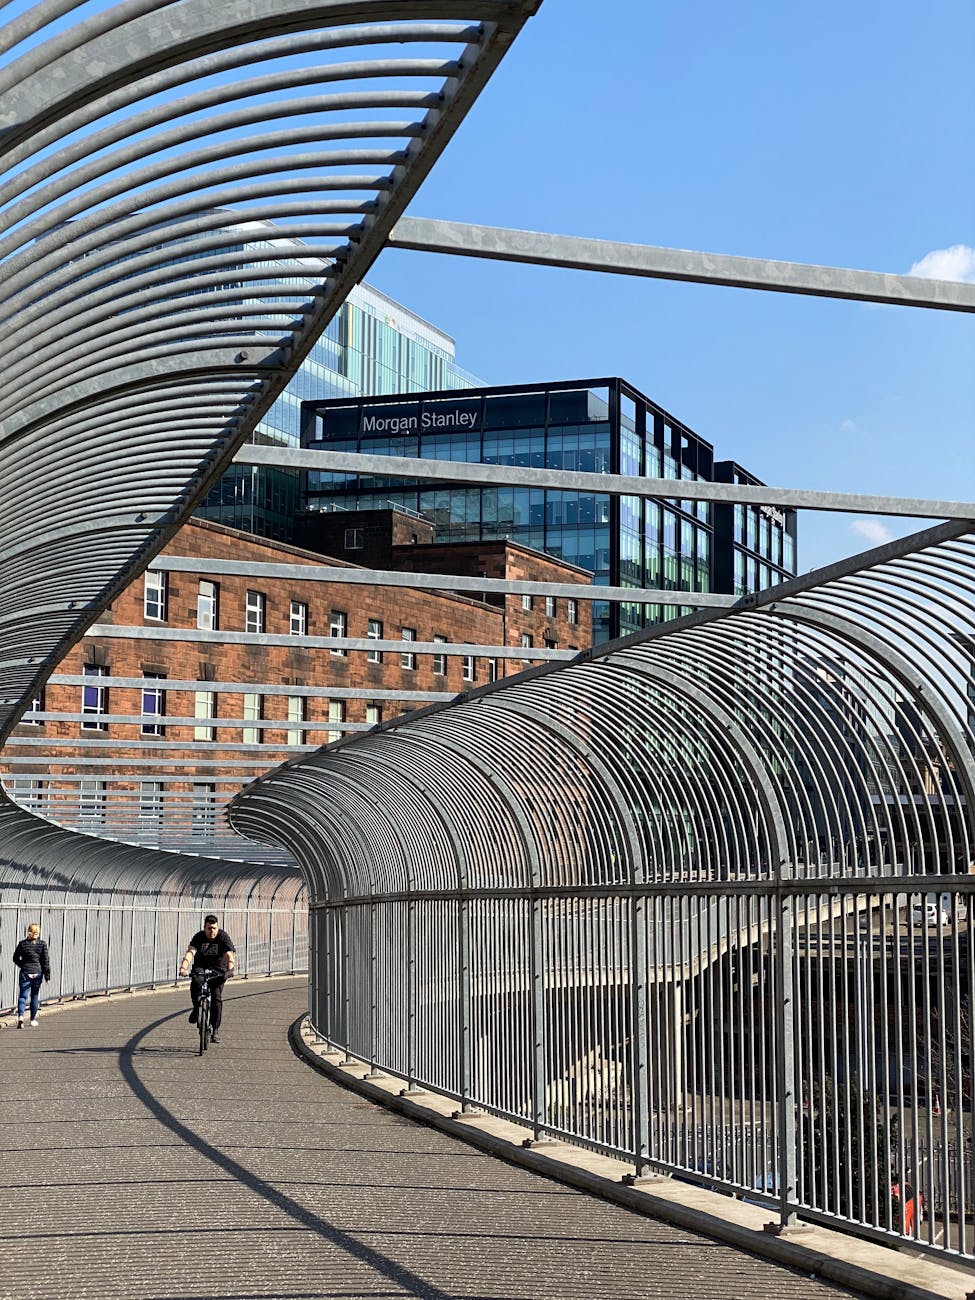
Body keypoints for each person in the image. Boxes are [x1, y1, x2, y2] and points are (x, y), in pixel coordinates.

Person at [178, 914, 235, 1043]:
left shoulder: (222, 937)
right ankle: (196, 1008)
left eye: (214, 928)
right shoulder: (199, 937)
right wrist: (183, 968)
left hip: (219, 968)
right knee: (196, 981)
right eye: (209, 928)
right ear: (204, 928)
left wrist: (230, 970)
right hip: (201, 966)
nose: (212, 931)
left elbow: (229, 956)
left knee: (216, 998)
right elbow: (190, 952)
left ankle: (215, 1029)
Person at [12, 923, 51, 1028]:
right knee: (34, 995)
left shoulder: (22, 944)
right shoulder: (42, 944)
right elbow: (45, 961)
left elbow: (15, 958)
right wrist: (47, 975)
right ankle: (33, 1019)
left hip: (25, 973)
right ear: (38, 932)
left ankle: (20, 1017)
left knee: (23, 996)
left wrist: (23, 965)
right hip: (37, 973)